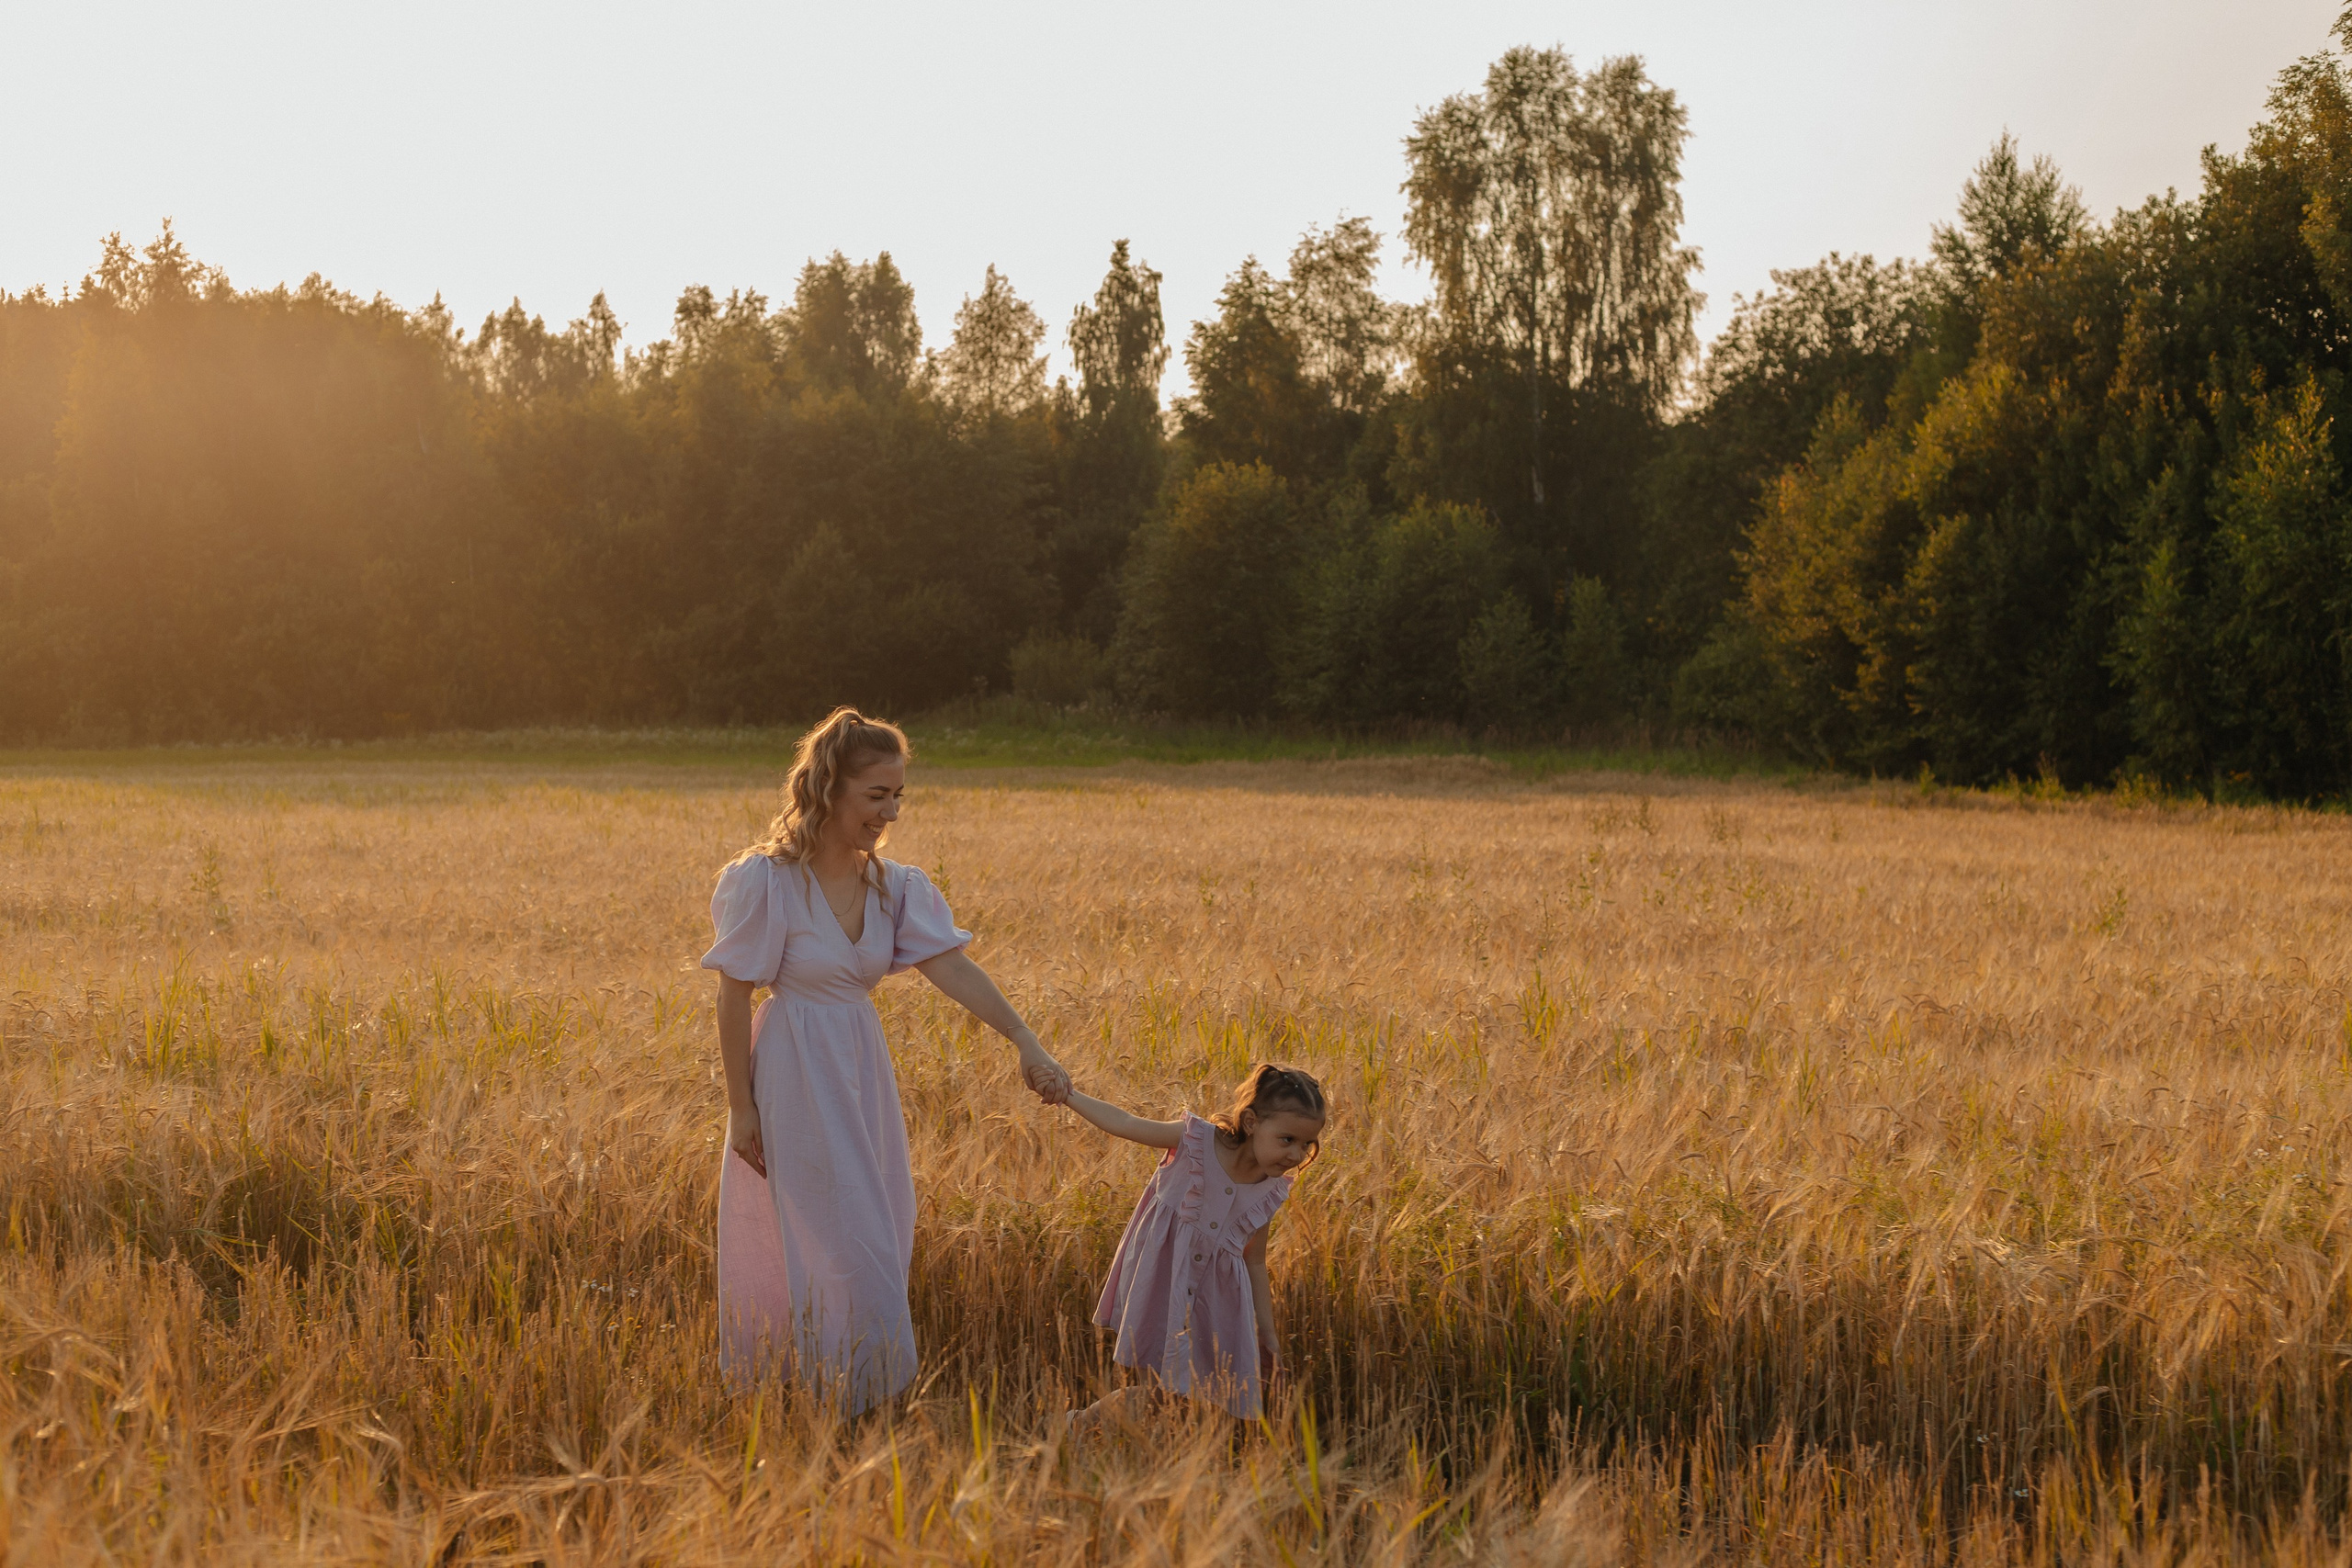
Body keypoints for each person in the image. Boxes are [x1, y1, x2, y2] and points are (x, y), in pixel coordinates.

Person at [703, 706, 1071, 1411]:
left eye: (899, 795)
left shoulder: (895, 886)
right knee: (837, 1245)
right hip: (793, 1074)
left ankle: (852, 1404)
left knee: (879, 1232)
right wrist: (741, 1109)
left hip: (860, 1073)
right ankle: (846, 1401)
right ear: (830, 786)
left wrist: (1025, 1040)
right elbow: (732, 998)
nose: (890, 811)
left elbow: (955, 970)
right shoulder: (766, 882)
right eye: (877, 794)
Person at [1062, 1063, 1328, 1430]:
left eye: (1307, 1145)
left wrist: (1265, 1334)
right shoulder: (1195, 1141)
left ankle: (1103, 1439)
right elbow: (1125, 1123)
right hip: (1164, 1282)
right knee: (1160, 1394)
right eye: (1287, 1140)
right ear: (1251, 1122)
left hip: (1213, 1303)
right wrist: (1068, 1095)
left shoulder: (1271, 1190)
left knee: (1195, 1402)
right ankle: (1073, 1427)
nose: (1297, 1155)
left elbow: (1253, 1262)